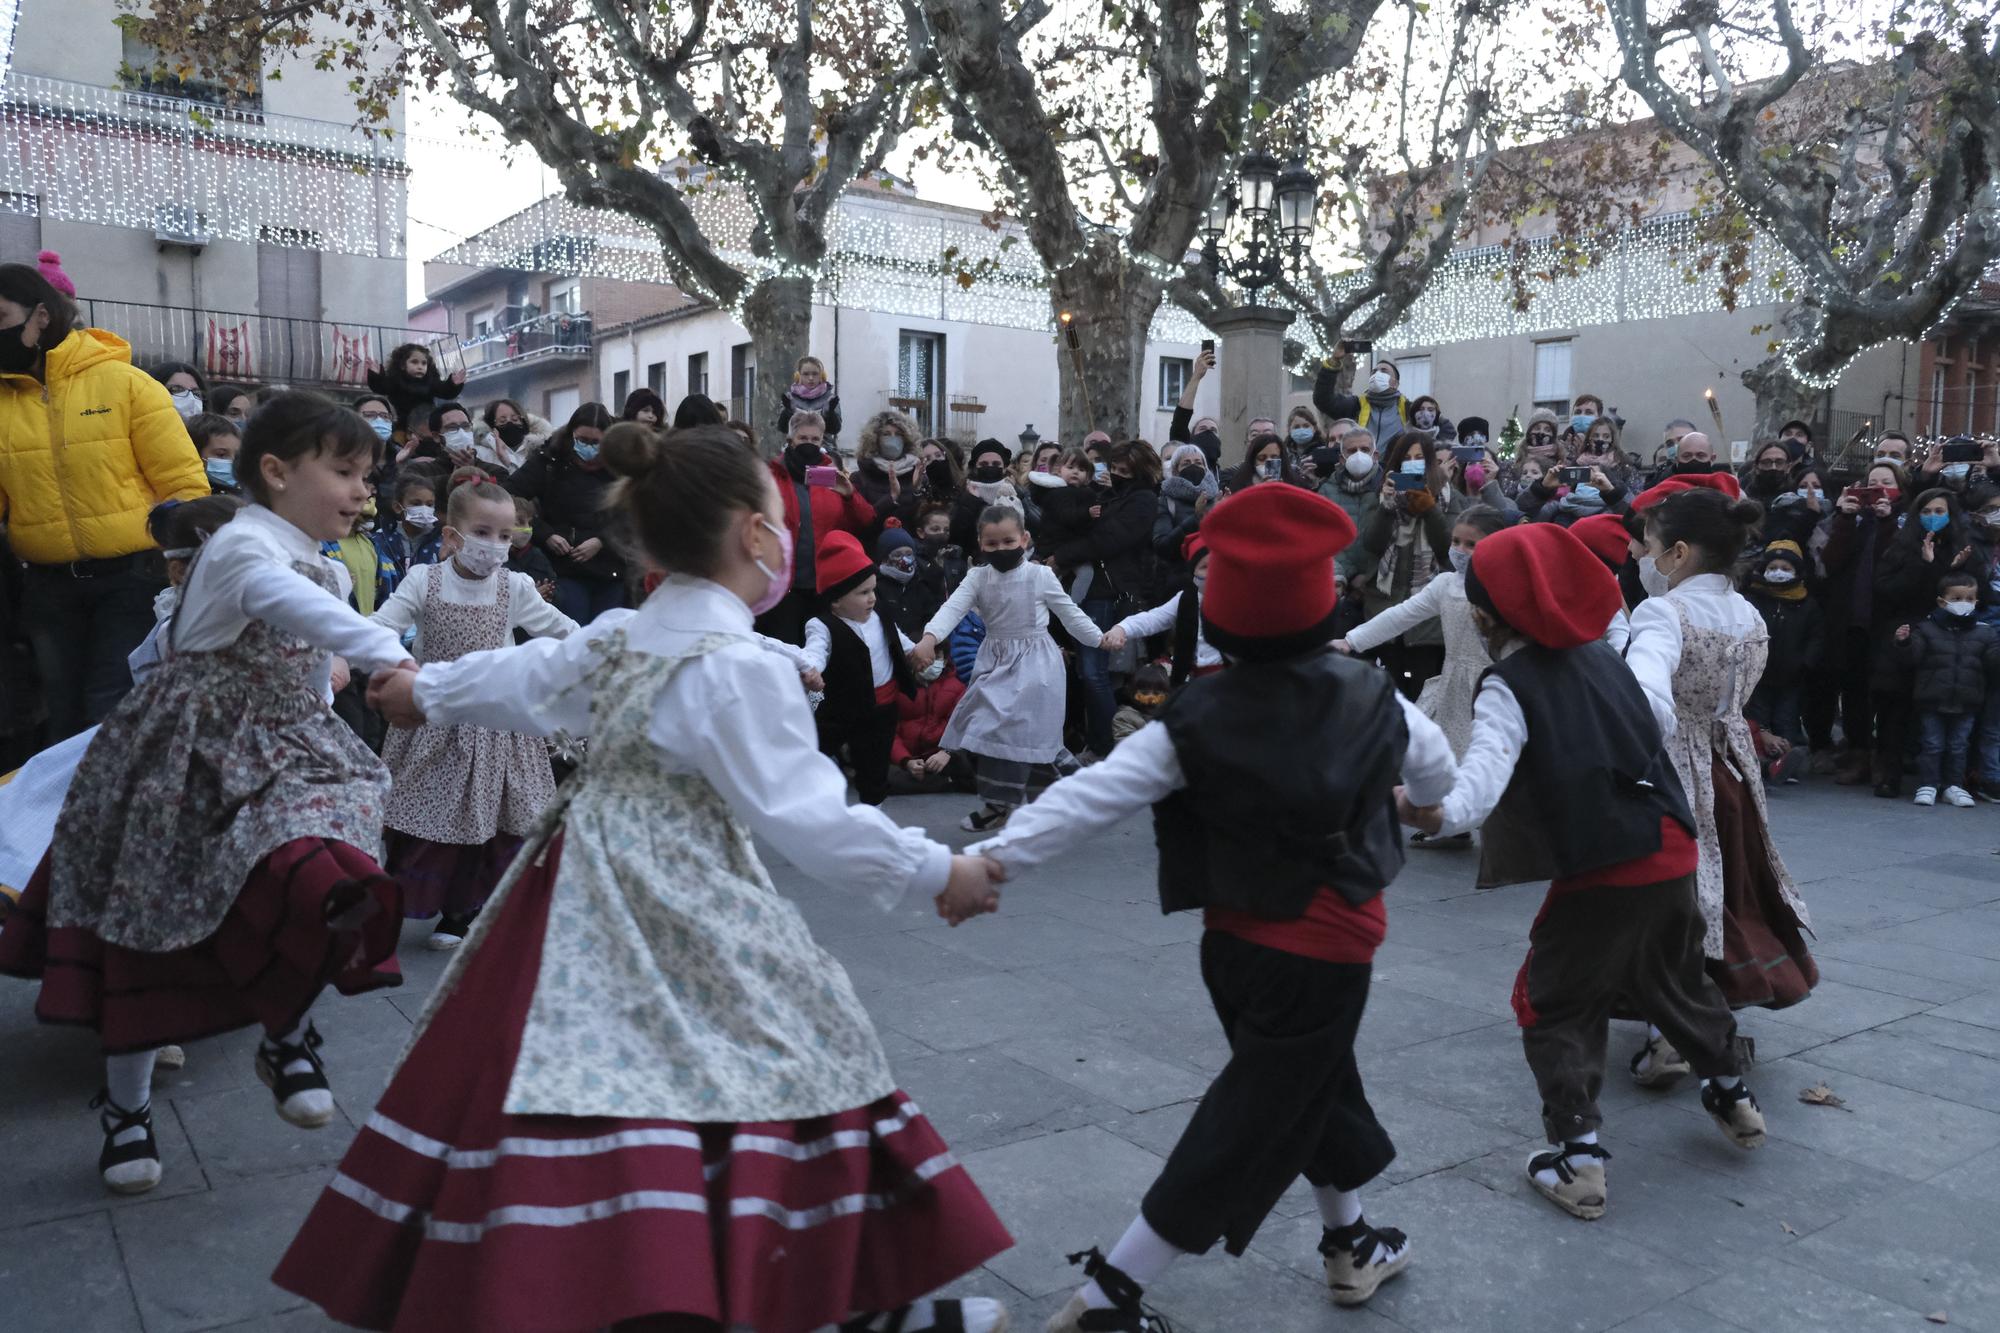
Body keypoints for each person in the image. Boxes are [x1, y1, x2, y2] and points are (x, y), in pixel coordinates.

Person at [281, 422, 1013, 1333]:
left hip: (572, 892)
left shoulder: (625, 637)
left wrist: (422, 688)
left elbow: (521, 674)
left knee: (587, 1076)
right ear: (755, 535)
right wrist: (938, 868)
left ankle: (616, 1269)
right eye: (780, 519)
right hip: (695, 901)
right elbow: (809, 815)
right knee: (785, 1054)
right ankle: (818, 1295)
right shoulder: (737, 669)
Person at [967, 484, 1457, 1327]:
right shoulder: (1376, 697)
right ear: (1321, 601)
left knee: (1309, 1086)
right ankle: (1110, 1295)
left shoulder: (1190, 718)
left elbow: (1089, 797)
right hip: (1331, 946)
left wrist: (986, 860)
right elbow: (1437, 771)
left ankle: (1351, 1242)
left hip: (1233, 946)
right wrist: (1421, 804)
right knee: (1252, 1116)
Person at [0, 392, 416, 1195]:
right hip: (183, 757)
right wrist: (385, 652)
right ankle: (127, 1109)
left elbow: (306, 660)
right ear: (276, 470)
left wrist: (340, 691)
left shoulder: (324, 563)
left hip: (281, 755)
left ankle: (287, 1033)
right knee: (143, 932)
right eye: (345, 472)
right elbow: (281, 602)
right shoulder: (241, 547)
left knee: (321, 875)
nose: (365, 491)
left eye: (368, 475)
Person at [1396, 521, 1763, 1221]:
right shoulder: (1609, 659)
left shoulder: (1510, 685)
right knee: (1673, 978)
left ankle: (1578, 1159)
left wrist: (1419, 808)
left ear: (1481, 617)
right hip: (1671, 847)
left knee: (1553, 1001)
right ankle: (1730, 1092)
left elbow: (1474, 791)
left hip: (1604, 866)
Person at [1626, 483, 1817, 1074]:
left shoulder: (1665, 611)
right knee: (1726, 888)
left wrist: (1625, 745)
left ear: (1679, 553)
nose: (1643, 557)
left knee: (1674, 899)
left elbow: (1647, 691)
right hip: (1730, 767)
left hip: (1677, 766)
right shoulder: (1749, 613)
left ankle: (1672, 1031)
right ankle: (1702, 1016)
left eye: (1650, 546)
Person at [0, 253, 210, 740]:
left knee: (109, 711)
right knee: (61, 714)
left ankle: (114, 814)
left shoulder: (127, 384)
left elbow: (184, 486)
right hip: (48, 588)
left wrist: (182, 568)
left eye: (1, 319)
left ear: (41, 315)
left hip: (132, 580)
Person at [370, 480, 578, 949]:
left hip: (498, 725)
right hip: (435, 721)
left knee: (494, 824)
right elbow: (383, 625)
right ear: (453, 534)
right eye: (483, 532)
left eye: (506, 535)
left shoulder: (516, 586)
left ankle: (463, 913)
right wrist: (352, 654)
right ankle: (404, 897)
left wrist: (608, 651)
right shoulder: (425, 580)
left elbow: (563, 631)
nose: (496, 545)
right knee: (422, 820)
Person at [912, 505, 1103, 830]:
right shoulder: (977, 577)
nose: (1001, 549)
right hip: (995, 664)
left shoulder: (1039, 575)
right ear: (981, 544)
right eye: (992, 544)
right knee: (988, 730)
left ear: (1024, 539)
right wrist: (929, 637)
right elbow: (952, 608)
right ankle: (1001, 804)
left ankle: (1077, 797)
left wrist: (1100, 639)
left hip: (1036, 667)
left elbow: (1070, 613)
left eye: (1008, 541)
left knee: (1033, 738)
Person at [1338, 504, 1510, 794]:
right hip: (1452, 682)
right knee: (1442, 751)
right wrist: (1352, 640)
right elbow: (1402, 614)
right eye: (1456, 542)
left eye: (1471, 544)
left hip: (1492, 683)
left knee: (1487, 753)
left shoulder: (1506, 588)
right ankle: (1449, 819)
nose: (1459, 550)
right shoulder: (1446, 585)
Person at [1048, 439, 1160, 758]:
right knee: (1091, 673)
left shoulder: (1142, 501)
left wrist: (1062, 555)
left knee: (1095, 671)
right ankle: (1099, 742)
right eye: (1114, 468)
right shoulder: (1109, 496)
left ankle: (1108, 745)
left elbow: (1109, 540)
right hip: (1094, 588)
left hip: (1110, 591)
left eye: (1125, 470)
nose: (1118, 474)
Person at [1869, 486, 1982, 796]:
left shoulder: (1964, 548)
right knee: (1894, 711)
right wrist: (1924, 563)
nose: (1933, 517)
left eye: (1940, 512)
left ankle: (1948, 780)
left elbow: (1973, 592)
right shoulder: (1901, 547)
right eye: (1928, 512)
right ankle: (1888, 773)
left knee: (1943, 716)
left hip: (1950, 640)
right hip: (1906, 631)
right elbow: (1887, 590)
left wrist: (1955, 569)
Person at [803, 531, 920, 806]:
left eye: (873, 591)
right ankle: (813, 790)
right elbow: (816, 650)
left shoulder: (880, 616)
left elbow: (900, 641)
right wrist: (812, 668)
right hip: (842, 707)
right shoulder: (822, 625)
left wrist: (916, 652)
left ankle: (874, 810)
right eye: (863, 593)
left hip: (882, 708)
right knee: (820, 747)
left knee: (875, 765)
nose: (871, 599)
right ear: (836, 600)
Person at [759, 408, 877, 643]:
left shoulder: (831, 477)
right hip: (784, 586)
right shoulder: (773, 476)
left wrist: (849, 495)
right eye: (803, 438)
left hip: (823, 586)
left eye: (815, 439)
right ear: (791, 439)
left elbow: (866, 521)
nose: (809, 444)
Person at [505, 402, 626, 626]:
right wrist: (545, 533)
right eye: (582, 440)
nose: (589, 447)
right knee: (571, 633)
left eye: (595, 442)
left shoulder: (620, 467)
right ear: (571, 435)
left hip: (609, 570)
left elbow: (631, 515)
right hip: (564, 568)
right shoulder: (549, 462)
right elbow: (508, 494)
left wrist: (602, 541)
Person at [1358, 431, 1457, 699]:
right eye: (1406, 458)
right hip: (1385, 607)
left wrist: (1429, 509)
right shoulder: (1377, 498)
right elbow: (1371, 544)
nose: (1412, 463)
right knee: (1388, 699)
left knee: (1423, 697)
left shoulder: (1449, 498)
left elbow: (1448, 549)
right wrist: (1387, 507)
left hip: (1428, 622)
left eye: (1419, 458)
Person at [1898, 569, 2000, 807]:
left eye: (1969, 599)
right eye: (1956, 599)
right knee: (1932, 744)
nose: (1963, 604)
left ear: (1976, 601)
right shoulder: (1927, 628)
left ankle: (1954, 785)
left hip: (1967, 700)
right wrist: (1903, 642)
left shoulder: (1985, 632)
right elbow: (1913, 657)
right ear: (1942, 602)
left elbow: (1992, 660)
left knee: (1958, 745)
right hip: (1932, 698)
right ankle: (1928, 783)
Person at [1742, 540, 1824, 781]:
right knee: (1759, 719)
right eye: (1773, 566)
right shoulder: (1752, 599)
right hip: (1757, 674)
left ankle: (1786, 763)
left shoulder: (1807, 604)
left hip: (1791, 676)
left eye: (1786, 568)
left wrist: (1806, 663)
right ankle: (1761, 760)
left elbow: (1816, 637)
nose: (1778, 572)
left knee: (1786, 719)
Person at [1103, 532, 1219, 688]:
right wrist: (1122, 628)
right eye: (1204, 567)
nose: (1212, 572)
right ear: (1193, 572)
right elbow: (1154, 618)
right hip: (1193, 680)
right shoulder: (1187, 598)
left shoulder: (1240, 595)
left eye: (1217, 564)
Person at [1313, 354, 1413, 449]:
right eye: (1374, 372)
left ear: (1395, 383)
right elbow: (1323, 400)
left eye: (1384, 371)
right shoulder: (1356, 405)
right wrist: (1334, 361)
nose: (1377, 374)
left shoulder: (1409, 409)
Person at [366, 341, 464, 431]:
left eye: (424, 363)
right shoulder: (396, 381)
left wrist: (453, 384)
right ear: (402, 365)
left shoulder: (430, 382)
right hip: (401, 427)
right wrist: (375, 375)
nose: (420, 367)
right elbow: (380, 387)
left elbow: (445, 392)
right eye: (414, 362)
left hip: (426, 425)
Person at [852, 408, 921, 522]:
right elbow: (861, 521)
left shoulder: (917, 472)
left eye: (898, 434)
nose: (893, 439)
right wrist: (891, 498)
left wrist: (916, 490)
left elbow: (924, 521)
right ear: (875, 439)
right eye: (886, 434)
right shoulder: (860, 477)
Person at [373, 473, 442, 580]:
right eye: (416, 504)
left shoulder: (441, 543)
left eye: (429, 505)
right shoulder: (380, 540)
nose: (424, 510)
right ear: (397, 507)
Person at [777, 353, 842, 441]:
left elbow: (835, 430)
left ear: (822, 376)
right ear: (798, 376)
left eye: (815, 374)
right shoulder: (789, 398)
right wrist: (788, 411)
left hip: (824, 446)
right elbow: (782, 428)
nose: (811, 378)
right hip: (795, 446)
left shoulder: (830, 398)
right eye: (806, 374)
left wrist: (829, 413)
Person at [477, 397, 542, 474]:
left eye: (515, 419)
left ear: (523, 422)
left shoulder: (537, 452)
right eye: (502, 421)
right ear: (491, 426)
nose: (510, 423)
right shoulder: (480, 454)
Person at [184, 412, 244, 494]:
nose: (233, 462)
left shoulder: (244, 497)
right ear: (194, 455)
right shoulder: (183, 499)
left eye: (237, 456)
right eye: (221, 455)